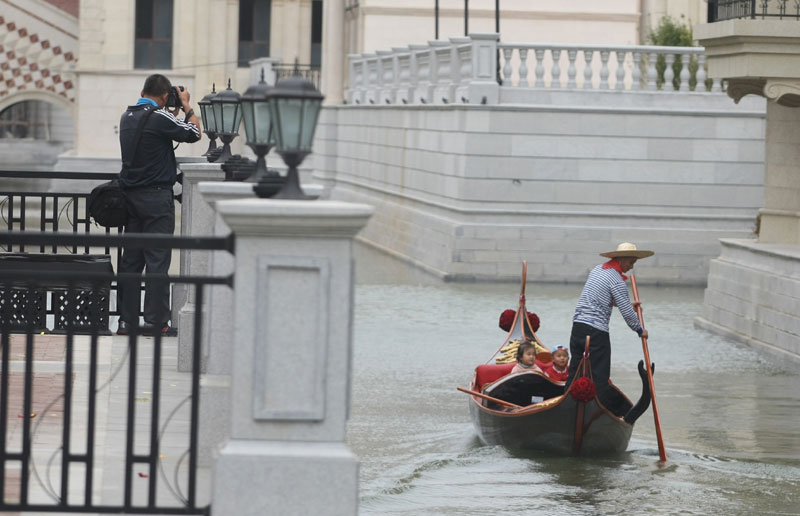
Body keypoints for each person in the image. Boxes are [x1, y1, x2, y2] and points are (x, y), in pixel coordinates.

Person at [117, 74, 202, 335]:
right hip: (156, 199)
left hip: (130, 198)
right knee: (157, 261)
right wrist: (186, 106)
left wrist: (170, 110)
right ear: (165, 97)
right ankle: (155, 322)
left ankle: (126, 322)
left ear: (143, 90)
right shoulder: (159, 117)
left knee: (131, 262)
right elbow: (195, 133)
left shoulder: (127, 117)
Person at [566, 242, 654, 402]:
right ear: (621, 259)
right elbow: (627, 314)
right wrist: (640, 330)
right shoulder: (616, 280)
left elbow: (599, 297)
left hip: (578, 327)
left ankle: (567, 404)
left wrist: (622, 303)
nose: (631, 266)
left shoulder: (597, 270)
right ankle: (598, 409)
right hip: (596, 333)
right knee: (600, 377)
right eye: (631, 262)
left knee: (574, 372)